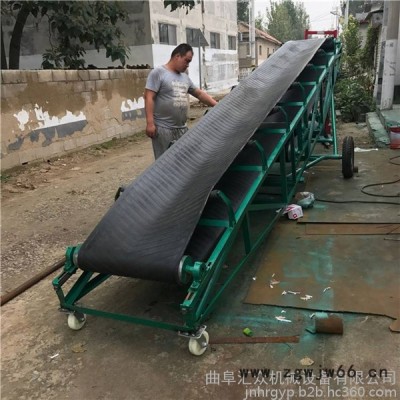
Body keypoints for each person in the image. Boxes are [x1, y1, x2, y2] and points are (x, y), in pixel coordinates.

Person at [144, 43, 217, 159]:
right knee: (165, 161)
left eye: (189, 62)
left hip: (182, 128)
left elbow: (198, 94)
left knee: (183, 161)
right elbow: (149, 97)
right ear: (177, 56)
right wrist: (150, 123)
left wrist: (217, 105)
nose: (187, 65)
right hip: (163, 129)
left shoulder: (185, 77)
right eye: (186, 61)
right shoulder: (158, 73)